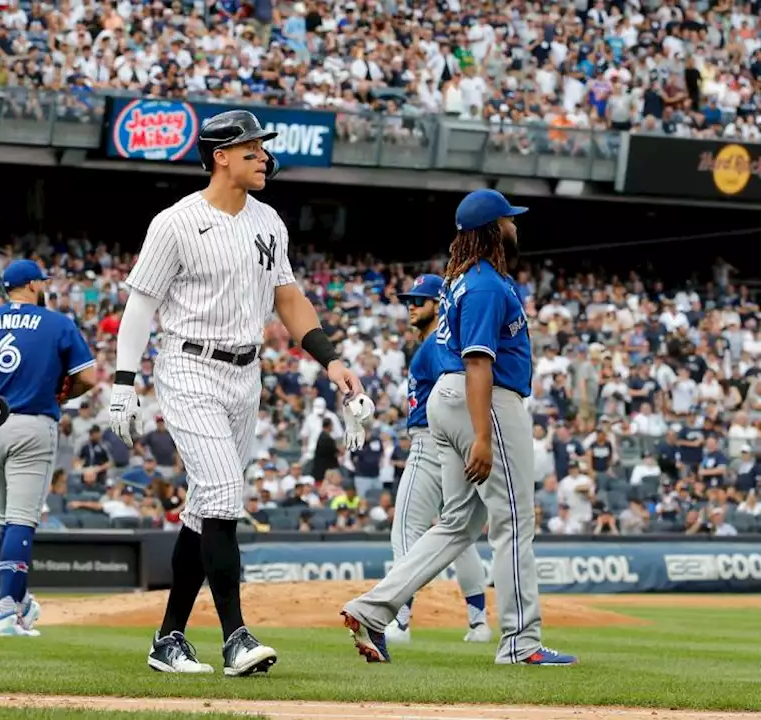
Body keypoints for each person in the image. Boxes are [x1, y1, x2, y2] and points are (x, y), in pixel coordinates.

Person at [108, 110, 364, 676]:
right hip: (188, 364)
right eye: (252, 151)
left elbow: (290, 300)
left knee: (206, 508)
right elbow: (140, 307)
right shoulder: (175, 222)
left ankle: (168, 639)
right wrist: (124, 386)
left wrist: (333, 358)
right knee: (223, 491)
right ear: (221, 156)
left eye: (263, 151)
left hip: (245, 373)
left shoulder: (269, 220)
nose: (263, 158)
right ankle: (236, 639)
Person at [341, 189, 577, 666]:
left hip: (447, 402)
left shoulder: (462, 280)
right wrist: (484, 435)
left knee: (457, 524)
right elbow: (478, 362)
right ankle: (521, 643)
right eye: (508, 220)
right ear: (493, 230)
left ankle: (373, 608)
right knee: (513, 519)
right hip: (482, 400)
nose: (515, 226)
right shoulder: (487, 284)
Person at [0, 259, 97, 637]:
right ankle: (7, 614)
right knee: (23, 519)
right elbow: (87, 377)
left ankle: (18, 601)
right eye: (42, 281)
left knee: (8, 520)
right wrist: (60, 396)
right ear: (33, 286)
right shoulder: (56, 322)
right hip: (31, 423)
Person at [380, 274, 490, 645]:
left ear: (439, 304)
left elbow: (456, 385)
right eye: (409, 300)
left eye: (420, 300)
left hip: (431, 441)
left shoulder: (435, 344)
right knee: (458, 534)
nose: (412, 306)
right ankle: (478, 622)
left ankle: (401, 620)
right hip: (452, 443)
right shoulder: (437, 342)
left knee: (407, 528)